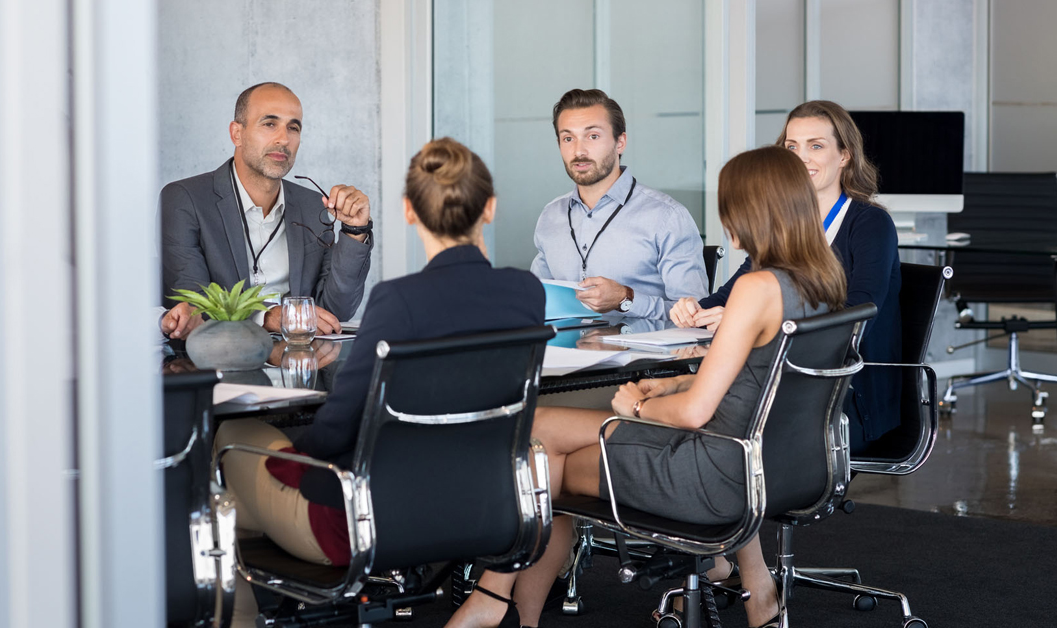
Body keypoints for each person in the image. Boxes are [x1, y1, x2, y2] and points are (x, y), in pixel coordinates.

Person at [447, 146, 847, 628]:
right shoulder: (824, 280)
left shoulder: (757, 287)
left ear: (753, 210)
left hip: (710, 473)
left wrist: (637, 405)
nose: (726, 223)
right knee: (541, 441)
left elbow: (696, 412)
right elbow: (751, 378)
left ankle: (497, 602)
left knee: (538, 456)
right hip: (774, 467)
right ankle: (503, 605)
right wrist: (671, 384)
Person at [214, 137, 546, 627]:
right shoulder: (526, 293)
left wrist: (291, 456)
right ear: (490, 209)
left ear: (409, 212)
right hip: (484, 512)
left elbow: (338, 429)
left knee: (231, 443)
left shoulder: (398, 301)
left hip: (374, 524)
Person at [672, 100, 902, 454]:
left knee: (694, 425)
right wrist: (693, 309)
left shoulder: (870, 223)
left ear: (845, 156)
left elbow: (858, 319)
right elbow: (730, 295)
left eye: (816, 146)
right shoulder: (786, 227)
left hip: (847, 396)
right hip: (782, 385)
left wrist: (745, 323)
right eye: (792, 147)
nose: (801, 157)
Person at [161, 82, 373, 335]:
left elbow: (335, 311)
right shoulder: (184, 199)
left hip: (298, 359)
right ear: (236, 134)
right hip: (219, 362)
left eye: (293, 128)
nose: (283, 139)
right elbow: (193, 306)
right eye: (269, 124)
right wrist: (266, 316)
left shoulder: (312, 204)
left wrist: (354, 231)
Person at [530, 88, 708, 319]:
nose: (578, 151)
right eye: (568, 138)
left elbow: (697, 315)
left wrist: (626, 299)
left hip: (641, 354)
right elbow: (534, 302)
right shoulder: (550, 216)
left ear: (620, 142)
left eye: (593, 136)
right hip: (564, 351)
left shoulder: (666, 217)